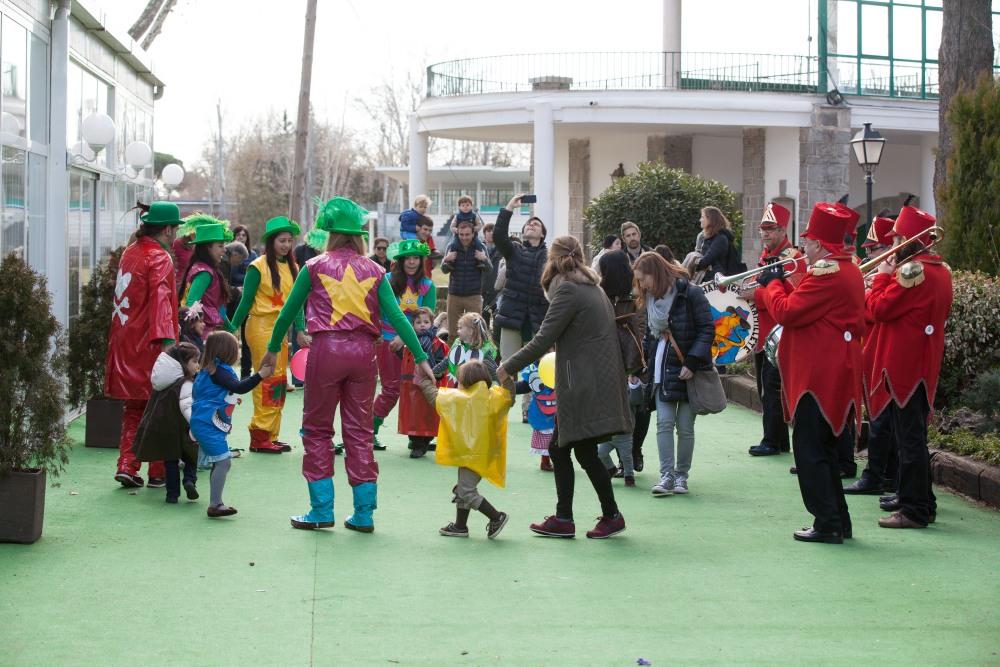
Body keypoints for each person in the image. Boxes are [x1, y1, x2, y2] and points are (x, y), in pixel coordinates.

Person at [261, 197, 434, 533]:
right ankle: (364, 513)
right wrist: (423, 357)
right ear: (358, 237)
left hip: (325, 352)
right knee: (359, 432)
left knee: (317, 429)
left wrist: (271, 350)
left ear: (331, 235)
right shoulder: (376, 270)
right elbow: (396, 316)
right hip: (364, 356)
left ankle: (321, 509)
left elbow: (287, 313)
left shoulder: (313, 267)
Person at [497, 235, 631, 540]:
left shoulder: (568, 290)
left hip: (581, 381)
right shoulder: (592, 287)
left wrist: (507, 366)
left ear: (552, 261)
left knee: (562, 449)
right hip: (598, 378)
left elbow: (543, 338)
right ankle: (595, 516)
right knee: (575, 451)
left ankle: (572, 518)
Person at [757, 202, 866, 544]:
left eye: (809, 241)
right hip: (833, 369)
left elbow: (788, 313)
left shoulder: (827, 272)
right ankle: (838, 519)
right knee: (826, 450)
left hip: (818, 374)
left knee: (810, 450)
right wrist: (783, 283)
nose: (804, 247)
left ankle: (827, 522)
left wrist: (772, 285)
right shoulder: (845, 269)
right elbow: (809, 306)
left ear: (820, 243)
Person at [867, 206, 952, 529]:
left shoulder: (911, 272)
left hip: (905, 363)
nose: (894, 245)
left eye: (899, 238)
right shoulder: (939, 268)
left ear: (911, 240)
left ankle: (914, 509)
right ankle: (919, 499)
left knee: (909, 440)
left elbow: (879, 308)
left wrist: (883, 277)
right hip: (921, 360)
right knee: (911, 436)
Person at [105, 201, 183, 489]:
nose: (176, 234)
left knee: (134, 408)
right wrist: (168, 344)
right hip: (151, 344)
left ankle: (127, 464)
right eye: (175, 228)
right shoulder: (160, 258)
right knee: (162, 407)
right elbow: (162, 302)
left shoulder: (130, 252)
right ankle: (158, 472)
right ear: (166, 229)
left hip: (125, 343)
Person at [633, 252, 714, 496]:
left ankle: (682, 476)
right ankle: (667, 475)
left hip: (688, 366)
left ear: (655, 273)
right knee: (664, 423)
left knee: (685, 426)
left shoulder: (691, 293)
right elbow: (649, 335)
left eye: (643, 279)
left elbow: (706, 328)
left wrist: (692, 361)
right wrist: (640, 365)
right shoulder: (650, 299)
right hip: (661, 367)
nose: (642, 285)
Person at [227, 216, 309, 455]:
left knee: (280, 383)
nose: (286, 245)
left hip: (281, 330)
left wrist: (301, 329)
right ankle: (260, 434)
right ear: (271, 241)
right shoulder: (257, 267)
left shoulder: (294, 268)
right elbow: (245, 302)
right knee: (267, 379)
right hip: (260, 326)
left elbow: (297, 303)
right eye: (281, 240)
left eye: (289, 241)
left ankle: (271, 434)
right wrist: (232, 328)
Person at [418, 360, 512, 539]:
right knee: (463, 488)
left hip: (471, 455)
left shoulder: (460, 399)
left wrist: (423, 379)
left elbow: (435, 397)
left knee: (466, 491)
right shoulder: (492, 397)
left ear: (465, 382)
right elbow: (509, 396)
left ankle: (496, 516)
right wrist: (507, 379)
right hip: (483, 454)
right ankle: (460, 526)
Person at [739, 203, 805, 457]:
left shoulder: (791, 259)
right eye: (763, 229)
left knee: (772, 388)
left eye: (770, 229)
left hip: (778, 332)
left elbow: (791, 297)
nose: (765, 234)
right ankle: (777, 439)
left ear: (782, 230)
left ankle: (772, 440)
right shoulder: (767, 256)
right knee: (766, 388)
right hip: (763, 332)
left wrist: (754, 293)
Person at [191, 331, 274, 519]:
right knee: (223, 461)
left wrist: (229, 398)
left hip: (204, 421)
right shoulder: (218, 371)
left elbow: (220, 391)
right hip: (207, 423)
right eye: (235, 347)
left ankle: (215, 502)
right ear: (227, 351)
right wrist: (260, 375)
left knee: (220, 462)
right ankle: (215, 504)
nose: (237, 351)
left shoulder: (210, 370)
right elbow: (239, 387)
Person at [845, 215, 899, 495]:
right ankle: (885, 474)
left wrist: (870, 289)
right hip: (871, 350)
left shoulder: (895, 277)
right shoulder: (880, 275)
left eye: (875, 248)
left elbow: (874, 312)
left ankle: (877, 475)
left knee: (882, 415)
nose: (868, 253)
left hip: (884, 353)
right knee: (880, 415)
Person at [373, 239, 437, 450]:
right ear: (399, 261)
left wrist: (405, 336)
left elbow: (427, 321)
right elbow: (376, 311)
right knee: (391, 389)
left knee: (418, 390)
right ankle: (367, 432)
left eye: (416, 258)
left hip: (417, 346)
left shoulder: (428, 286)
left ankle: (417, 435)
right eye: (407, 258)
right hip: (387, 342)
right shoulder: (386, 280)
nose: (411, 262)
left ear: (421, 260)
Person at [596, 250, 644, 487]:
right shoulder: (604, 297)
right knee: (633, 409)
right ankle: (625, 456)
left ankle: (633, 452)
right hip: (625, 364)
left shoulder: (633, 298)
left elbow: (641, 329)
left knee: (637, 407)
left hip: (630, 365)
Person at [132, 343, 201, 504]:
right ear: (183, 363)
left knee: (170, 461)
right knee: (191, 457)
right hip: (184, 428)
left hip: (165, 428)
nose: (198, 365)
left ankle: (172, 494)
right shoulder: (185, 383)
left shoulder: (162, 382)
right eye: (195, 361)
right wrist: (197, 423)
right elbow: (187, 405)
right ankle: (189, 480)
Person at [493, 194, 548, 379]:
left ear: (542, 234)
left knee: (539, 373)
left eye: (536, 224)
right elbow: (498, 236)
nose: (531, 225)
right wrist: (509, 207)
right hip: (511, 319)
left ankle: (531, 409)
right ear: (523, 231)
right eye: (528, 224)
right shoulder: (514, 251)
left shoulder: (550, 256)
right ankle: (505, 406)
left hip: (538, 320)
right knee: (507, 371)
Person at [398, 307, 449, 459]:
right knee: (412, 415)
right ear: (412, 325)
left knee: (428, 415)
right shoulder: (409, 343)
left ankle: (423, 443)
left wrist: (436, 374)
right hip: (411, 386)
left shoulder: (437, 344)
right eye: (418, 322)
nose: (422, 325)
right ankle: (415, 440)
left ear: (432, 324)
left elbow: (441, 363)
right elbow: (403, 358)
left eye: (426, 322)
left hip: (429, 385)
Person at [180, 220, 234, 337]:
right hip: (204, 335)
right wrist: (194, 332)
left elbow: (219, 307)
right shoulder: (204, 273)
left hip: (211, 332)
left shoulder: (211, 270)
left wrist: (230, 328)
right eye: (220, 246)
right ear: (207, 248)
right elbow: (191, 303)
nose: (224, 250)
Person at [441, 220, 492, 341]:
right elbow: (444, 270)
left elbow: (489, 270)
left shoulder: (480, 247)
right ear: (457, 234)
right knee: (453, 332)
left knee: (475, 332)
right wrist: (446, 260)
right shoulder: (451, 246)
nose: (464, 237)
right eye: (461, 235)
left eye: (467, 234)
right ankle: (452, 358)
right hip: (454, 295)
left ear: (473, 234)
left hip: (474, 295)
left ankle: (474, 358)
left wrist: (484, 259)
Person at [290, 228, 328, 387]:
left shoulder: (329, 253)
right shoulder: (300, 251)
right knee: (299, 332)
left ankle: (317, 375)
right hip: (302, 299)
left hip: (321, 302)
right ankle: (298, 377)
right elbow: (294, 271)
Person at [434, 311, 498, 390]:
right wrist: (434, 371)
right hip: (455, 385)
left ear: (471, 331)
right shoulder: (458, 344)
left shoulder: (484, 351)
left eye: (460, 328)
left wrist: (497, 387)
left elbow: (494, 372)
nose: (458, 331)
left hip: (474, 389)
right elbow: (448, 361)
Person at [517, 361, 555, 472]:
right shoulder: (536, 369)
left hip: (558, 407)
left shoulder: (560, 363)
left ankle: (560, 460)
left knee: (559, 438)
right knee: (547, 435)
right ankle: (545, 461)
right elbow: (524, 386)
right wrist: (509, 386)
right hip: (543, 411)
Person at [695, 207, 736, 278]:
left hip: (714, 280)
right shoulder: (705, 236)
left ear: (710, 220)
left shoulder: (720, 239)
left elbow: (705, 261)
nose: (700, 220)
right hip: (707, 276)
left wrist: (693, 263)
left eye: (702, 217)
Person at [481, 223, 503, 326]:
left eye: (493, 231)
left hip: (497, 290)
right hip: (482, 289)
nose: (491, 233)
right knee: (482, 320)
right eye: (488, 231)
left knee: (497, 319)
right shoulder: (479, 249)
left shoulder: (502, 249)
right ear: (484, 234)